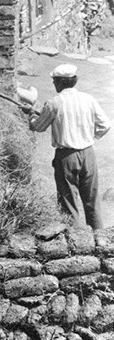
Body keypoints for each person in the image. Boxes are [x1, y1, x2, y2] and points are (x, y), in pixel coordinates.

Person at [27, 63, 110, 230]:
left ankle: (76, 238)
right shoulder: (88, 99)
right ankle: (100, 238)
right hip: (88, 153)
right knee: (91, 198)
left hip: (66, 157)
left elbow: (38, 127)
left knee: (68, 201)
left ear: (59, 82)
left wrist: (31, 115)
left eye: (54, 82)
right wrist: (89, 137)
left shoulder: (53, 103)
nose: (54, 85)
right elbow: (105, 125)